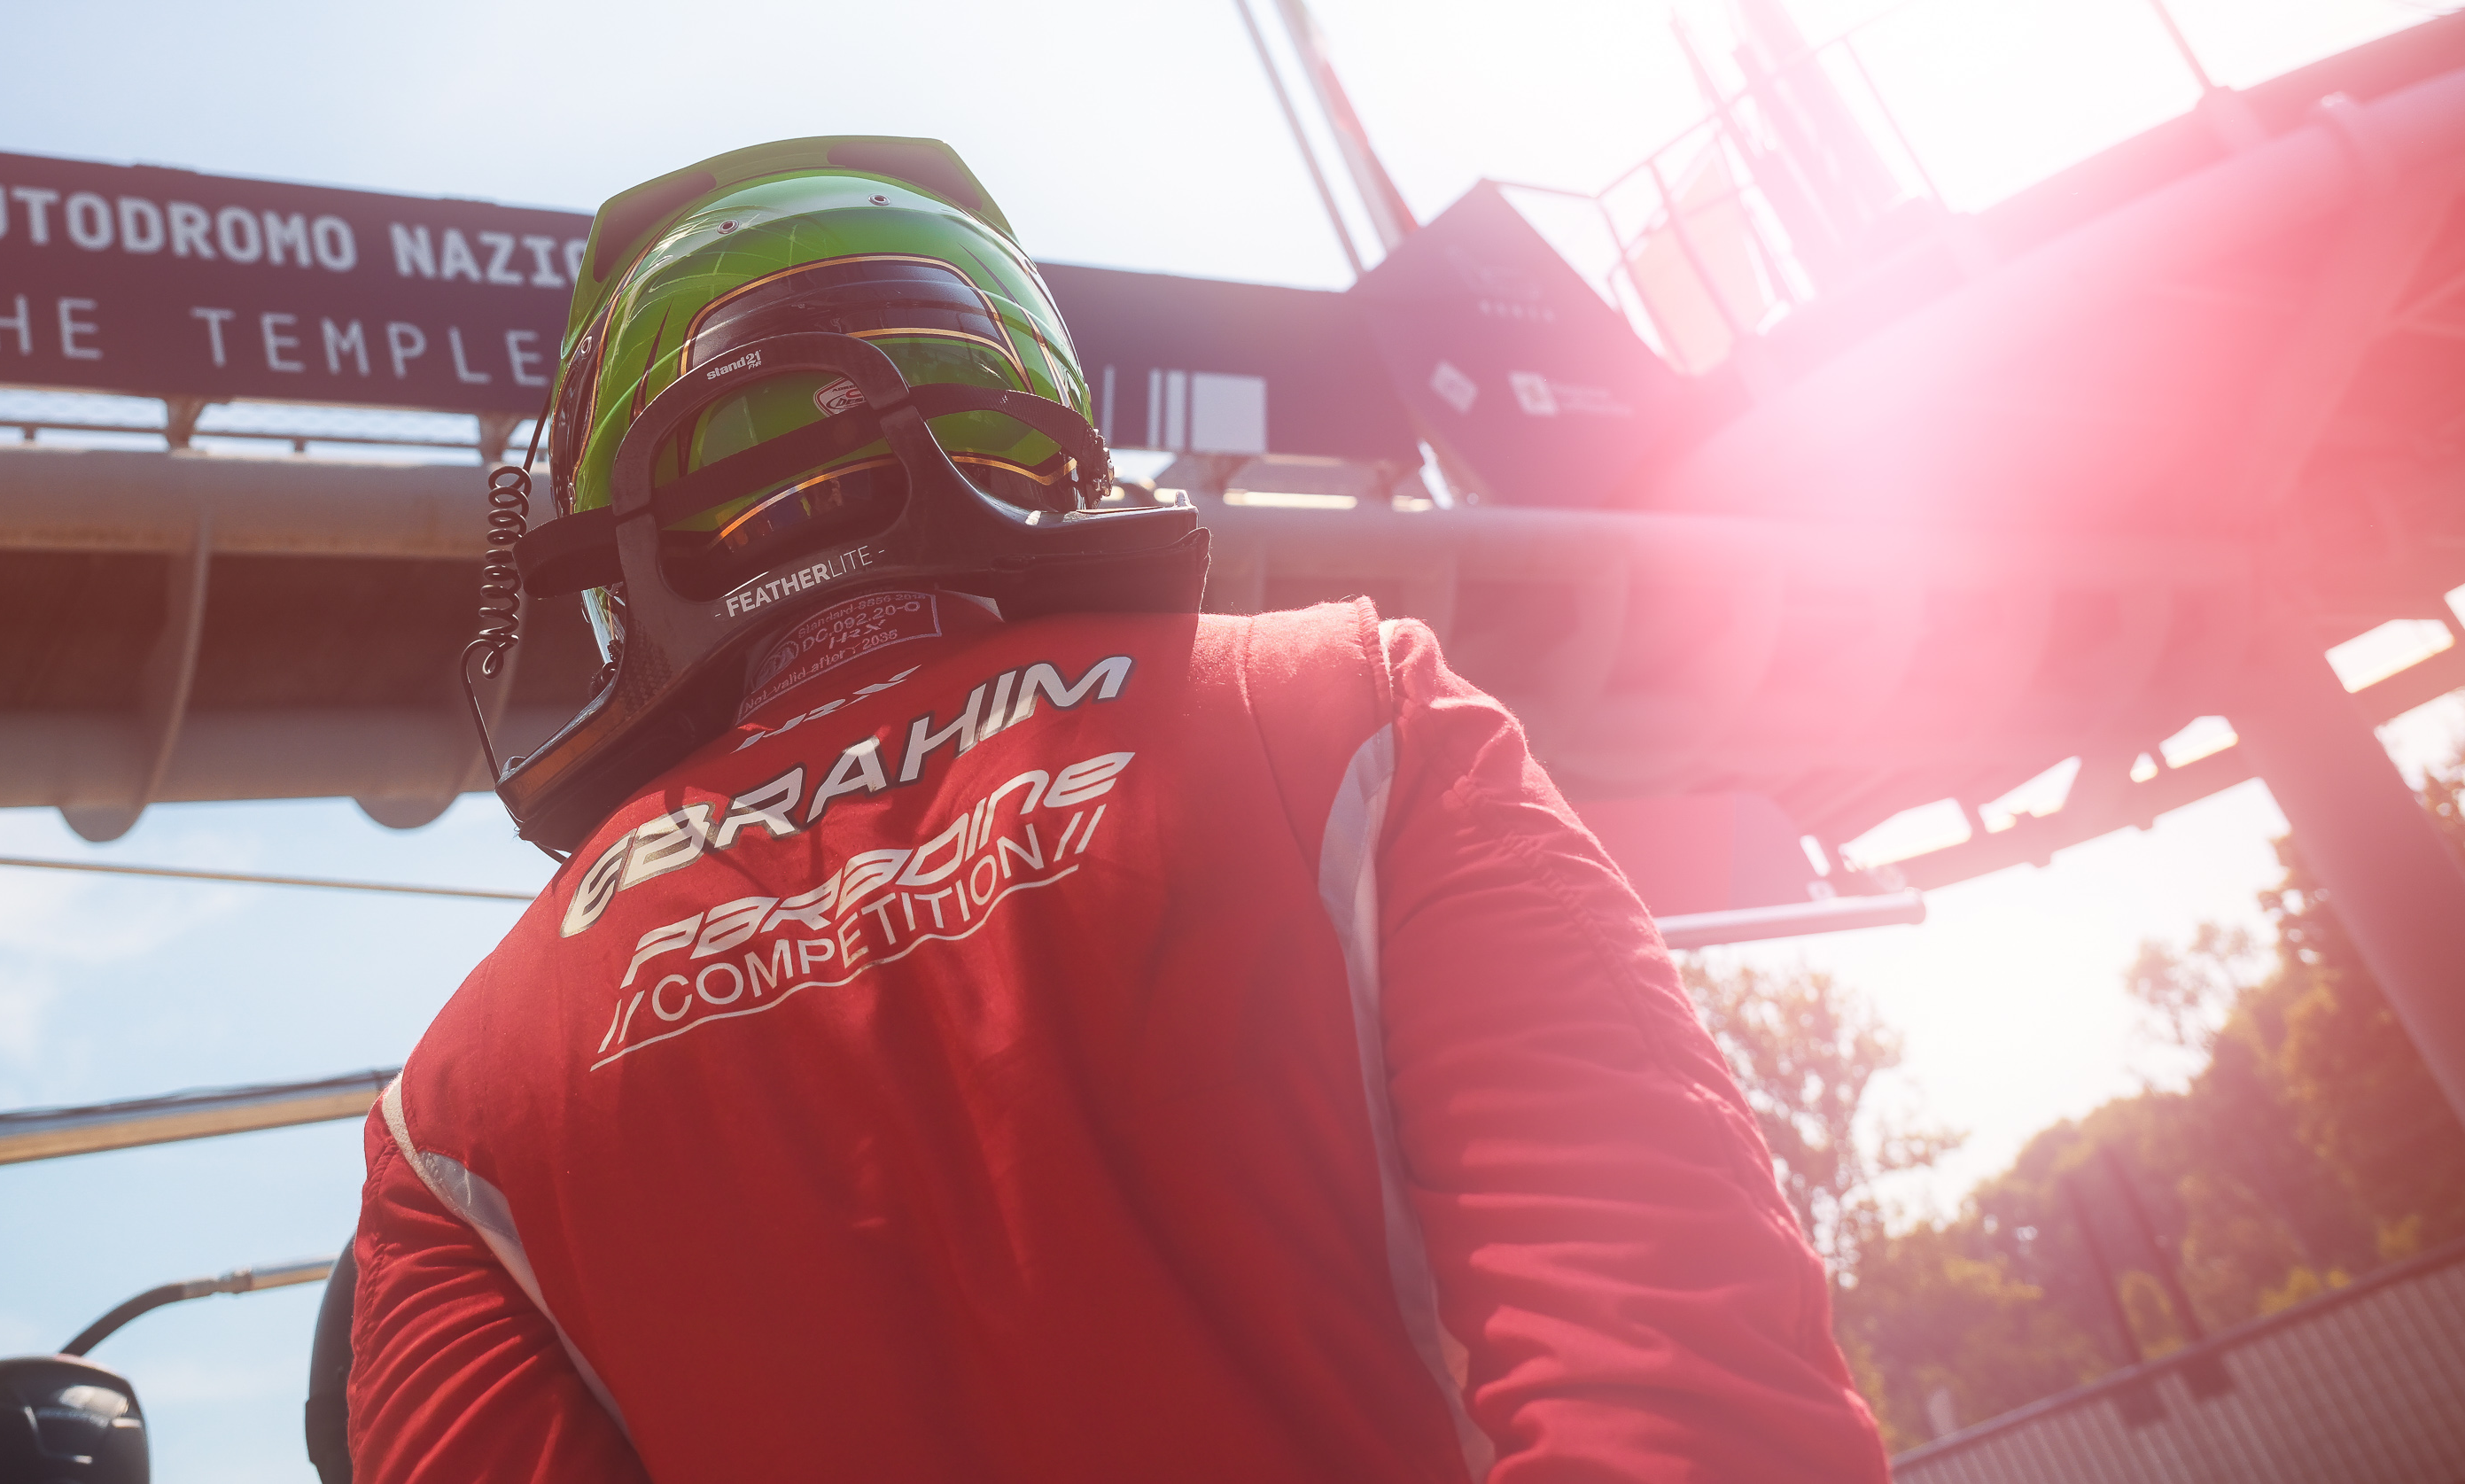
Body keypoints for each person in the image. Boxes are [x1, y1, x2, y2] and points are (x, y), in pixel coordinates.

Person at [337, 136, 1888, 1480]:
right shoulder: (1349, 712)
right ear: (1023, 393)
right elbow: (1696, 1405)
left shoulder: (455, 1112)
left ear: (613, 522)